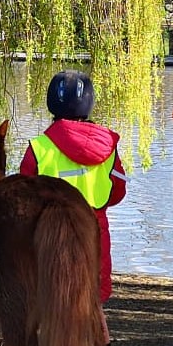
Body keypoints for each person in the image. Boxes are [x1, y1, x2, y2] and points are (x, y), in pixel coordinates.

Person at [18, 69, 128, 324]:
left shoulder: (39, 148)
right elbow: (118, 191)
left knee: (52, 308)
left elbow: (24, 196)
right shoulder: (107, 147)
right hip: (94, 234)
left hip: (51, 237)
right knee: (93, 308)